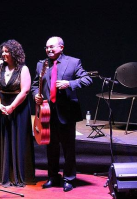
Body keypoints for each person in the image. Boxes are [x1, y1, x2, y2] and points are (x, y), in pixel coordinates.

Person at [31, 36, 93, 192]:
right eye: (46, 47)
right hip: (46, 113)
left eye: (52, 47)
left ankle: (69, 178)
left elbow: (87, 79)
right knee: (51, 148)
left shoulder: (73, 62)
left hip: (66, 112)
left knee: (68, 148)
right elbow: (34, 86)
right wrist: (35, 95)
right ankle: (52, 177)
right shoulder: (41, 65)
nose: (49, 50)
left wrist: (69, 84)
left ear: (61, 47)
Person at [0, 39, 36, 187]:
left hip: (18, 109)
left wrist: (12, 106)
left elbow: (25, 91)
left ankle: (19, 174)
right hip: (3, 107)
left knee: (18, 140)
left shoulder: (23, 69)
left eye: (7, 51)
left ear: (15, 53)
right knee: (5, 139)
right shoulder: (0, 68)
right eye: (3, 51)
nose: (4, 54)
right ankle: (5, 173)